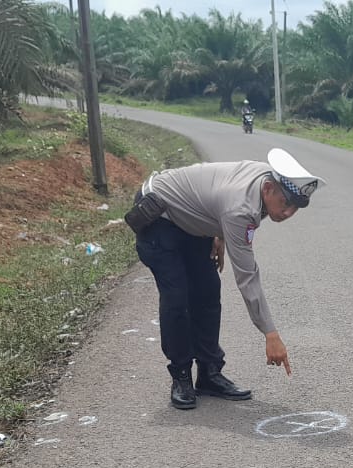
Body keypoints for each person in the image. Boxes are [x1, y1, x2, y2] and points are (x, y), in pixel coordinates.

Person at [123, 148, 324, 410]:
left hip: (190, 219)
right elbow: (247, 276)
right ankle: (181, 375)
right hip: (159, 215)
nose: (287, 213)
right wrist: (270, 334)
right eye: (285, 204)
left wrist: (218, 233)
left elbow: (216, 194)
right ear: (268, 189)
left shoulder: (267, 181)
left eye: (295, 208)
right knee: (177, 297)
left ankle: (209, 373)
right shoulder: (241, 209)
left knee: (207, 291)